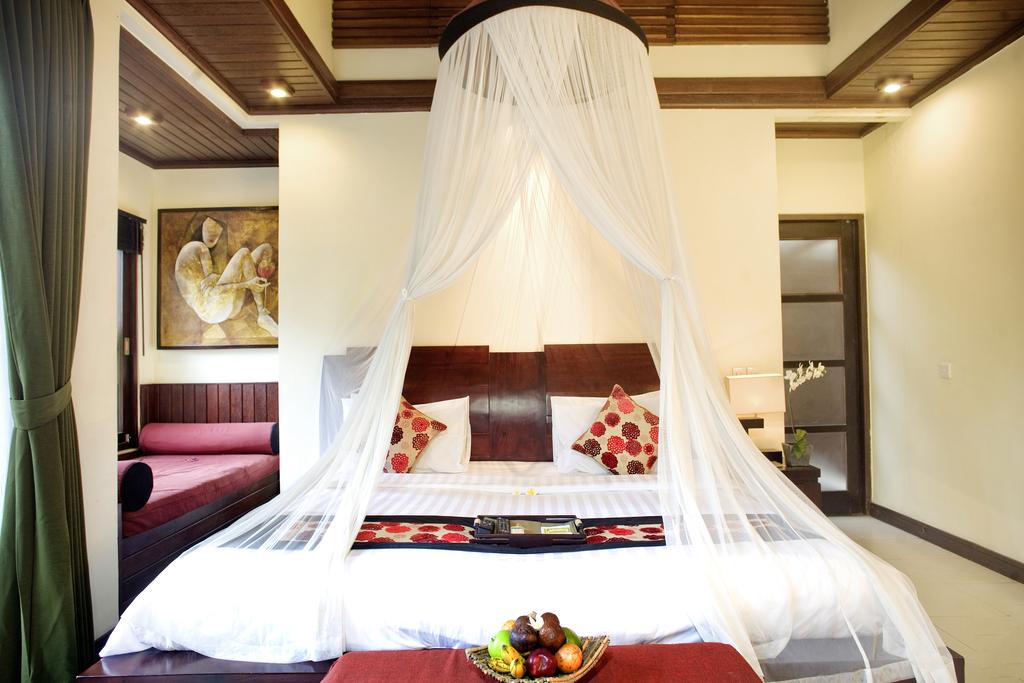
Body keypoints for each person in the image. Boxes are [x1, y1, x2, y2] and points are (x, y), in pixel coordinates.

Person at [174, 216, 279, 336]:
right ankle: (262, 313)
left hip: (226, 306)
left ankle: (263, 313)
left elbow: (215, 282)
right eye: (210, 227)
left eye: (218, 229)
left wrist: (263, 264)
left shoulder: (202, 256)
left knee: (263, 248)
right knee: (244, 252)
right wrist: (246, 284)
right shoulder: (199, 248)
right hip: (214, 309)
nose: (214, 232)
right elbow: (212, 291)